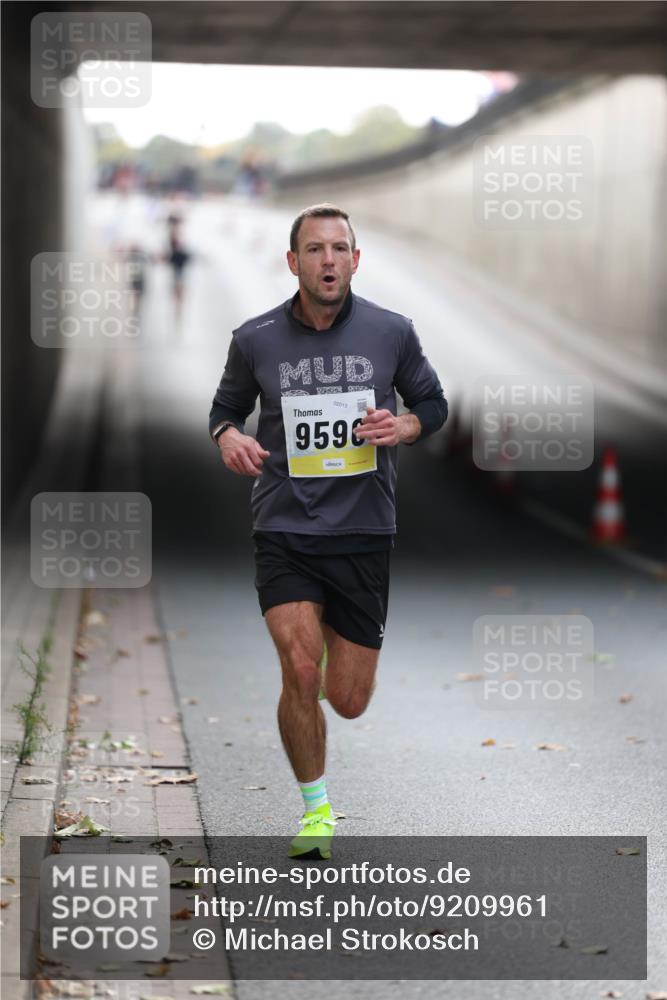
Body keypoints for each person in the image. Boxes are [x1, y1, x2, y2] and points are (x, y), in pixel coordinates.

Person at [209, 204, 447, 859]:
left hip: (364, 529)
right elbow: (226, 408)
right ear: (293, 262)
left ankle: (316, 687)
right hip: (283, 526)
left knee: (345, 699)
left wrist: (406, 426)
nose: (328, 260)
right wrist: (228, 436)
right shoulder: (255, 338)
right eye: (314, 249)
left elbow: (432, 402)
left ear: (355, 259)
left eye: (339, 248)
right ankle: (316, 813)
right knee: (297, 664)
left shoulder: (391, 333)